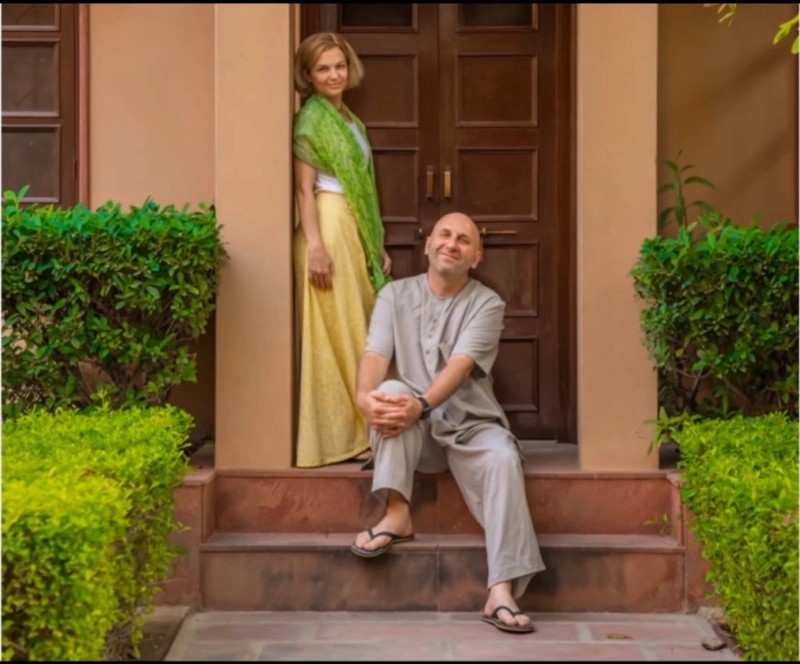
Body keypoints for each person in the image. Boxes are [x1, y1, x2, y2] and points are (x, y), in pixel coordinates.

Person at [350, 212, 545, 634]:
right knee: (390, 392)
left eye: (463, 240)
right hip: (415, 435)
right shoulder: (394, 295)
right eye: (444, 235)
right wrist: (364, 399)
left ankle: (500, 591)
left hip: (469, 427)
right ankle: (397, 514)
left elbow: (459, 366)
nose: (451, 244)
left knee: (503, 457)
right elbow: (375, 356)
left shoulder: (488, 304)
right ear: (427, 245)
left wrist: (421, 403)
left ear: (476, 257)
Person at [292, 32, 392, 468]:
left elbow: (365, 187)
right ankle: (352, 438)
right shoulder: (311, 121)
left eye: (339, 66)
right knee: (341, 333)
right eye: (323, 69)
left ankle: (368, 427)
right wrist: (315, 246)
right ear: (308, 75)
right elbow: (303, 189)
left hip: (351, 229)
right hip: (328, 226)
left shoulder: (349, 119)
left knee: (360, 326)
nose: (333, 75)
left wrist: (375, 244)